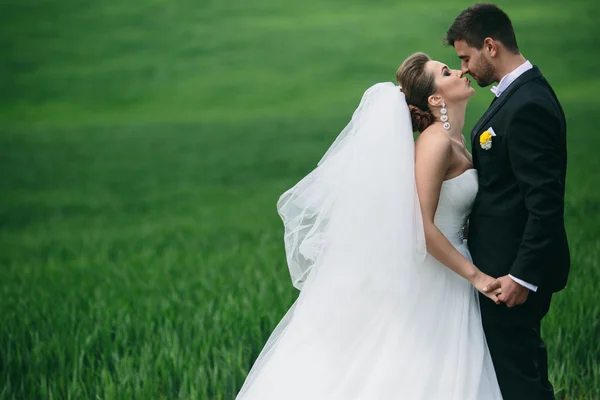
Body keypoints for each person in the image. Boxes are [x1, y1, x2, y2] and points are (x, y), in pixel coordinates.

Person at [235, 52, 503, 399]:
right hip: (438, 275)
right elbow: (422, 226)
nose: (460, 71)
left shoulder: (457, 141)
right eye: (447, 71)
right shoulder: (436, 143)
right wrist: (476, 276)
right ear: (435, 98)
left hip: (451, 268)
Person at [445, 4, 570, 400]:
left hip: (511, 276)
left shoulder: (528, 103)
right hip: (502, 270)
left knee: (517, 383)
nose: (464, 68)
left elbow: (544, 202)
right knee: (522, 372)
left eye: (466, 57)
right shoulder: (518, 94)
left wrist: (522, 276)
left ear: (490, 46)